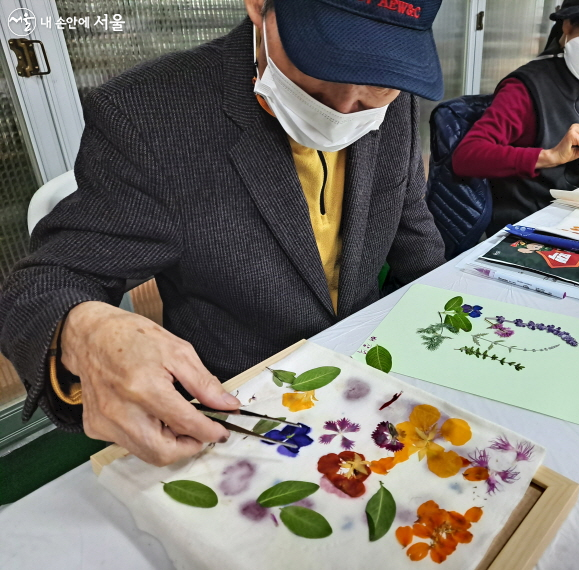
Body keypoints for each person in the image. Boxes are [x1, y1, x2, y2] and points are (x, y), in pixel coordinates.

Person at [0, 0, 446, 466]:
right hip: (240, 414)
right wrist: (82, 331)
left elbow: (415, 237)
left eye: (383, 73)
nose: (347, 104)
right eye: (326, 58)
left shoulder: (396, 97)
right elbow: (42, 283)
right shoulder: (150, 118)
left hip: (371, 385)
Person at [451, 0, 579, 235]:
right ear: (569, 25)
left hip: (564, 216)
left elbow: (569, 173)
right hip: (526, 227)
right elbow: (466, 157)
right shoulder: (524, 89)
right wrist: (549, 156)